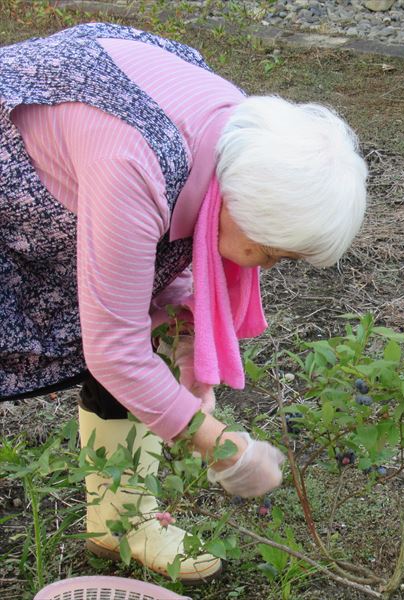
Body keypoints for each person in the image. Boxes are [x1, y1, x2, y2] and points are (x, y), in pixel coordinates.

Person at [0, 23, 368, 583]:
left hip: (86, 150)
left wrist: (185, 328)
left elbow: (171, 261)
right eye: (271, 253)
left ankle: (119, 521)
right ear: (242, 208)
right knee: (119, 337)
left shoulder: (246, 140)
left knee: (139, 318)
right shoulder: (131, 164)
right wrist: (219, 447)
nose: (264, 268)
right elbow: (114, 350)